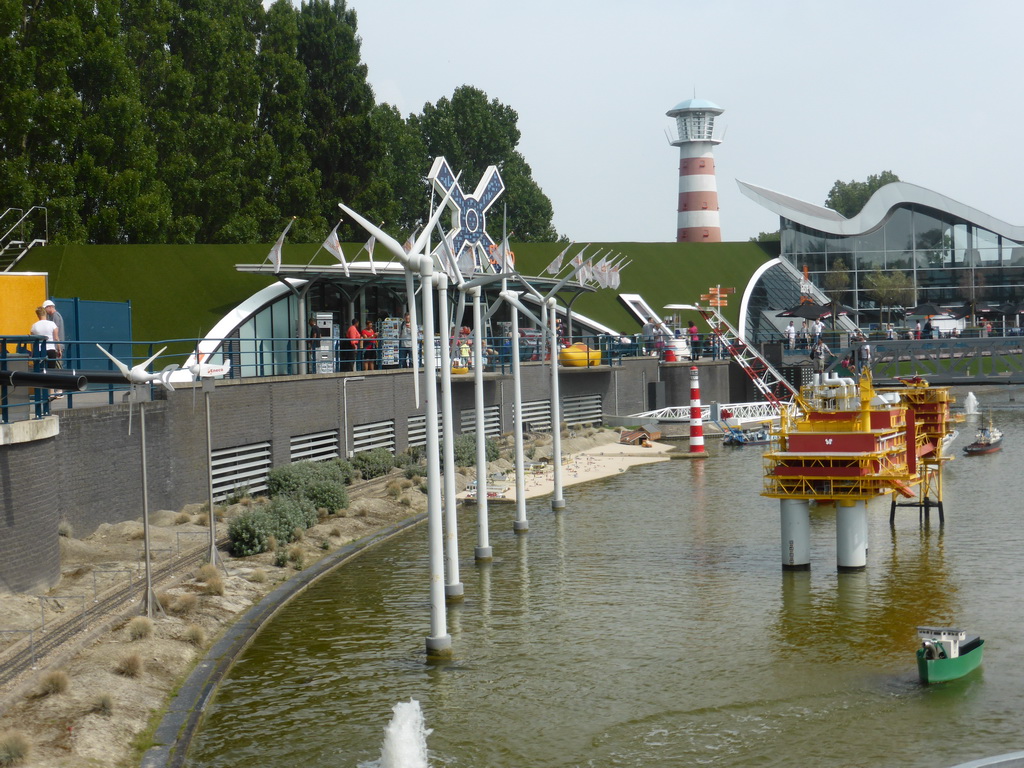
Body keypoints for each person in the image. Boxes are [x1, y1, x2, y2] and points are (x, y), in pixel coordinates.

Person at [30, 306, 62, 400]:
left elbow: (33, 341)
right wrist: (59, 349)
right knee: (51, 371)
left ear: (38, 315)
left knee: (41, 371)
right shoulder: (52, 324)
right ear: (45, 314)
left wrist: (32, 353)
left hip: (39, 351)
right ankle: (52, 393)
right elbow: (56, 338)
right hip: (51, 350)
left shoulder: (34, 326)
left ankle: (41, 393)